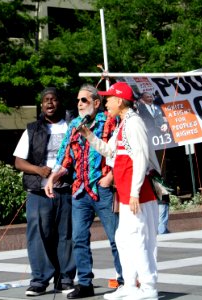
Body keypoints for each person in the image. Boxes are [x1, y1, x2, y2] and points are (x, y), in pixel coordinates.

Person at [78, 82, 160, 300]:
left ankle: (148, 287)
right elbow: (109, 150)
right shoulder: (122, 124)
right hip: (126, 195)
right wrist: (88, 135)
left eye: (109, 98)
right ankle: (130, 285)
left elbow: (141, 158)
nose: (106, 102)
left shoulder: (134, 123)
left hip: (137, 195)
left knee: (138, 239)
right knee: (123, 239)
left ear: (121, 101)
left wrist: (134, 192)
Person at [44, 83, 123, 299]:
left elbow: (123, 152)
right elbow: (64, 158)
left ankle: (125, 281)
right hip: (79, 191)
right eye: (78, 100)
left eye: (84, 100)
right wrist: (52, 178)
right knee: (79, 238)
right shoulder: (75, 125)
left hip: (102, 188)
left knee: (116, 238)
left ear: (96, 103)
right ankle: (85, 283)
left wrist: (110, 177)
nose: (79, 104)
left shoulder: (110, 121)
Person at [13, 87, 76, 296]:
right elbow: (19, 161)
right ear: (41, 105)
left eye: (54, 100)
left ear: (60, 103)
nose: (49, 103)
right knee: (38, 235)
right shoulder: (32, 129)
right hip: (38, 192)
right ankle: (39, 280)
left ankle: (65, 279)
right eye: (45, 100)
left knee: (66, 235)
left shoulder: (72, 127)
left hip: (66, 189)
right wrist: (38, 170)